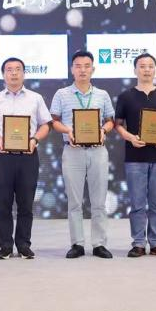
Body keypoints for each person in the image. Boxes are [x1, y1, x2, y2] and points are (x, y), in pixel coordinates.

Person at [50, 50, 115, 259]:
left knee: (99, 201)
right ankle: (77, 244)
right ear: (72, 69)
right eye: (78, 66)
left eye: (87, 66)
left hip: (97, 151)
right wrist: (68, 130)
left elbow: (111, 121)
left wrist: (103, 130)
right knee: (75, 202)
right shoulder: (61, 94)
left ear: (93, 69)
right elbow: (54, 121)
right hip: (72, 151)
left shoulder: (102, 95)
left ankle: (99, 244)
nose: (82, 70)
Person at [0, 57, 51, 259]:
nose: (14, 73)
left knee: (26, 203)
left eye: (18, 69)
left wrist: (34, 139)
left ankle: (23, 245)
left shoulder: (35, 98)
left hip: (27, 156)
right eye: (9, 69)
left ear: (24, 73)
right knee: (3, 203)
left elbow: (46, 124)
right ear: (3, 74)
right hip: (3, 156)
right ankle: (5, 246)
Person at [114, 53, 156, 258]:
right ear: (135, 70)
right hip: (135, 156)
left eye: (150, 66)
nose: (146, 70)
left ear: (155, 69)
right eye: (142, 66)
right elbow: (117, 125)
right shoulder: (126, 96)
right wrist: (130, 137)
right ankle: (138, 243)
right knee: (137, 204)